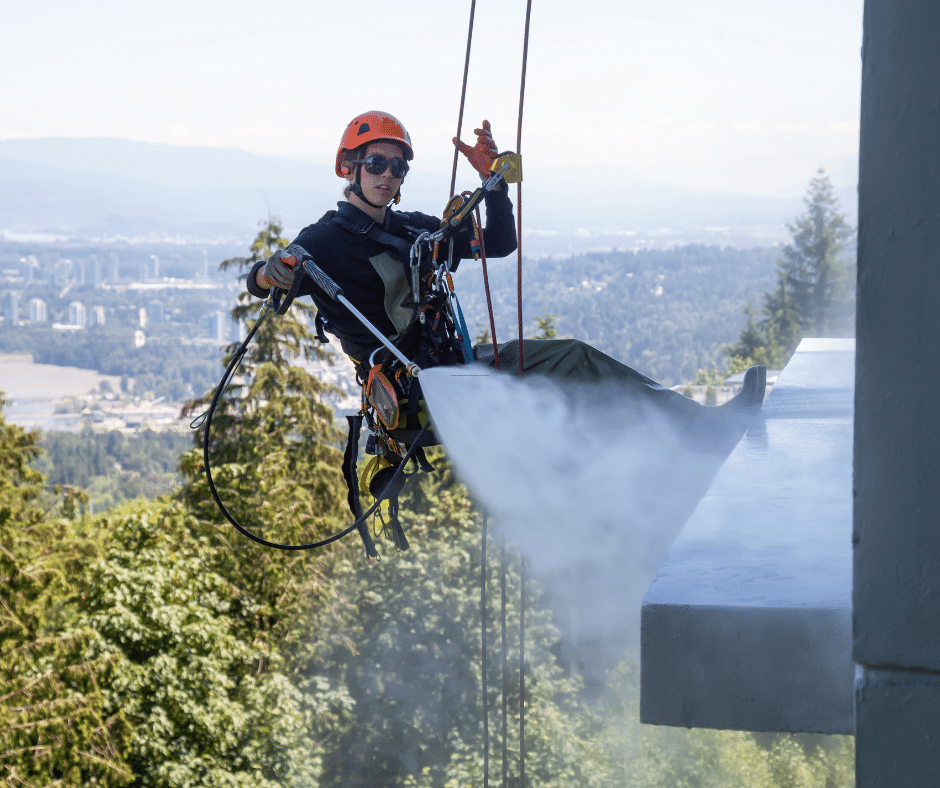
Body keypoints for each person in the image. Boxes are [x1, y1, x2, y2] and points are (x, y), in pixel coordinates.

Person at [246, 110, 516, 373]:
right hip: (403, 384)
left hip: (447, 361)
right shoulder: (326, 239)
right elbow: (264, 282)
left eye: (398, 167)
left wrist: (494, 183)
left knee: (548, 359)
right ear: (348, 170)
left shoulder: (417, 230)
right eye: (376, 164)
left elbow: (499, 243)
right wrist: (266, 273)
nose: (388, 173)